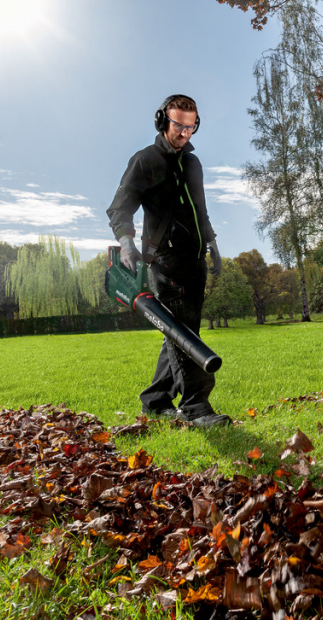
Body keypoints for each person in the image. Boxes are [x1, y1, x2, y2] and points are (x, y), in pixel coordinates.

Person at [106, 94, 230, 427]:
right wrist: (126, 243)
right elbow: (120, 207)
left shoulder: (193, 164)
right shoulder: (145, 161)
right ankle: (195, 408)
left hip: (195, 257)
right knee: (183, 333)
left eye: (191, 127)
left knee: (180, 331)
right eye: (178, 126)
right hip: (165, 259)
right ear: (163, 121)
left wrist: (213, 244)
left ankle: (156, 400)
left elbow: (200, 210)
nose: (184, 133)